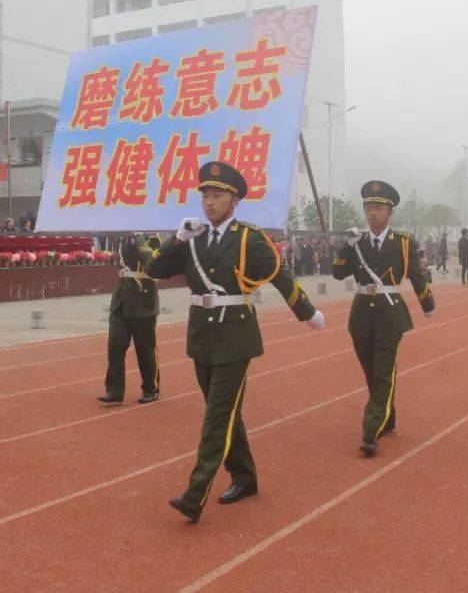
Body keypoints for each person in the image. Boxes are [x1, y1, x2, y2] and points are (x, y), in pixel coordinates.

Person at [147, 161, 325, 523]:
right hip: (202, 334)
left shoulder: (249, 238)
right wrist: (177, 239)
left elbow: (280, 275)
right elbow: (155, 270)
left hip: (235, 335)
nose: (209, 202)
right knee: (227, 413)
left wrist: (306, 312)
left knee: (216, 417)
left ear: (234, 200)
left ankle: (195, 493)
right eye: (206, 195)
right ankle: (245, 477)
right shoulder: (192, 237)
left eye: (217, 195)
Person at [333, 180, 435, 457]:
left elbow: (416, 275)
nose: (372, 212)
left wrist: (427, 303)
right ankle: (386, 416)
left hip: (390, 314)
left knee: (382, 371)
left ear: (389, 212)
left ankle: (371, 429)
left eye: (378, 207)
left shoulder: (403, 243)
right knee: (371, 371)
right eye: (368, 207)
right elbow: (337, 273)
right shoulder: (358, 242)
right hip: (362, 314)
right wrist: (346, 246)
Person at [99, 233, 161, 406]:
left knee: (145, 350)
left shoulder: (151, 238)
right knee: (115, 345)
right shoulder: (121, 238)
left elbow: (153, 263)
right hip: (121, 300)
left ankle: (150, 388)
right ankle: (114, 390)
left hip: (143, 301)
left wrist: (140, 239)